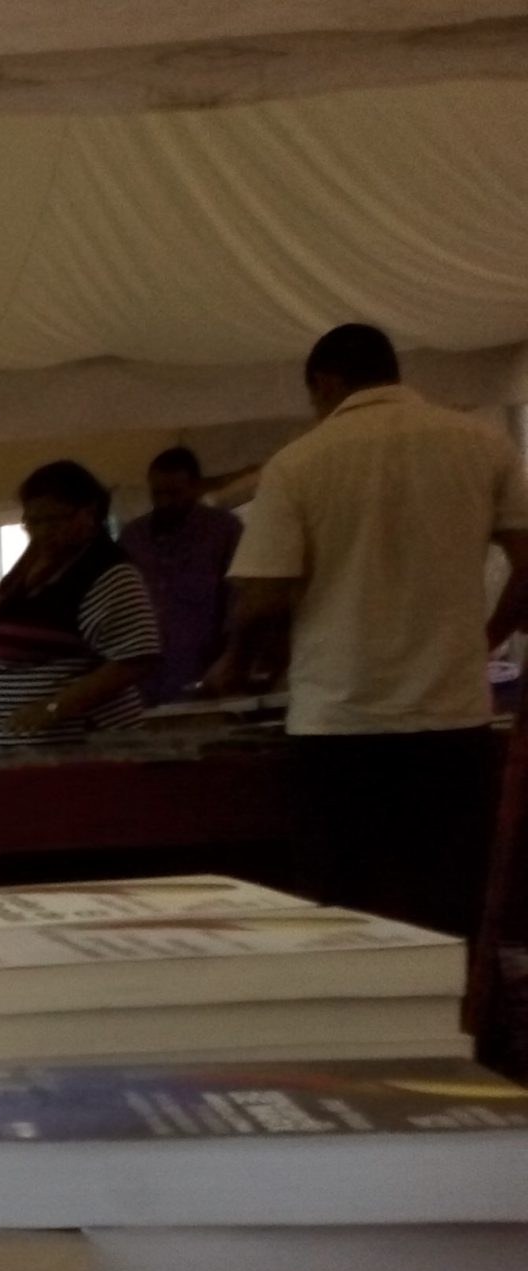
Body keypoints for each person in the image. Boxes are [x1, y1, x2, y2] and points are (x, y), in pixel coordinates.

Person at [212, 323, 528, 937]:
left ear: (325, 383)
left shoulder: (300, 461)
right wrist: (484, 638)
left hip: (339, 721)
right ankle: (458, 1026)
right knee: (449, 902)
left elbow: (265, 594)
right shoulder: (483, 444)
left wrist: (236, 660)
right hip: (451, 718)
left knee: (344, 908)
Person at [0, 460, 160, 754]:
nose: (43, 531)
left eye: (54, 519)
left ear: (90, 512)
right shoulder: (34, 562)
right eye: (33, 522)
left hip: (74, 750)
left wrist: (52, 707)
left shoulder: (107, 571)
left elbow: (135, 660)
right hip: (7, 744)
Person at [119, 445, 243, 703]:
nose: (164, 501)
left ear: (196, 488)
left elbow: (238, 599)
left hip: (205, 668)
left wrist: (232, 657)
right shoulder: (133, 537)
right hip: (144, 675)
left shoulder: (224, 530)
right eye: (157, 493)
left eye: (174, 493)